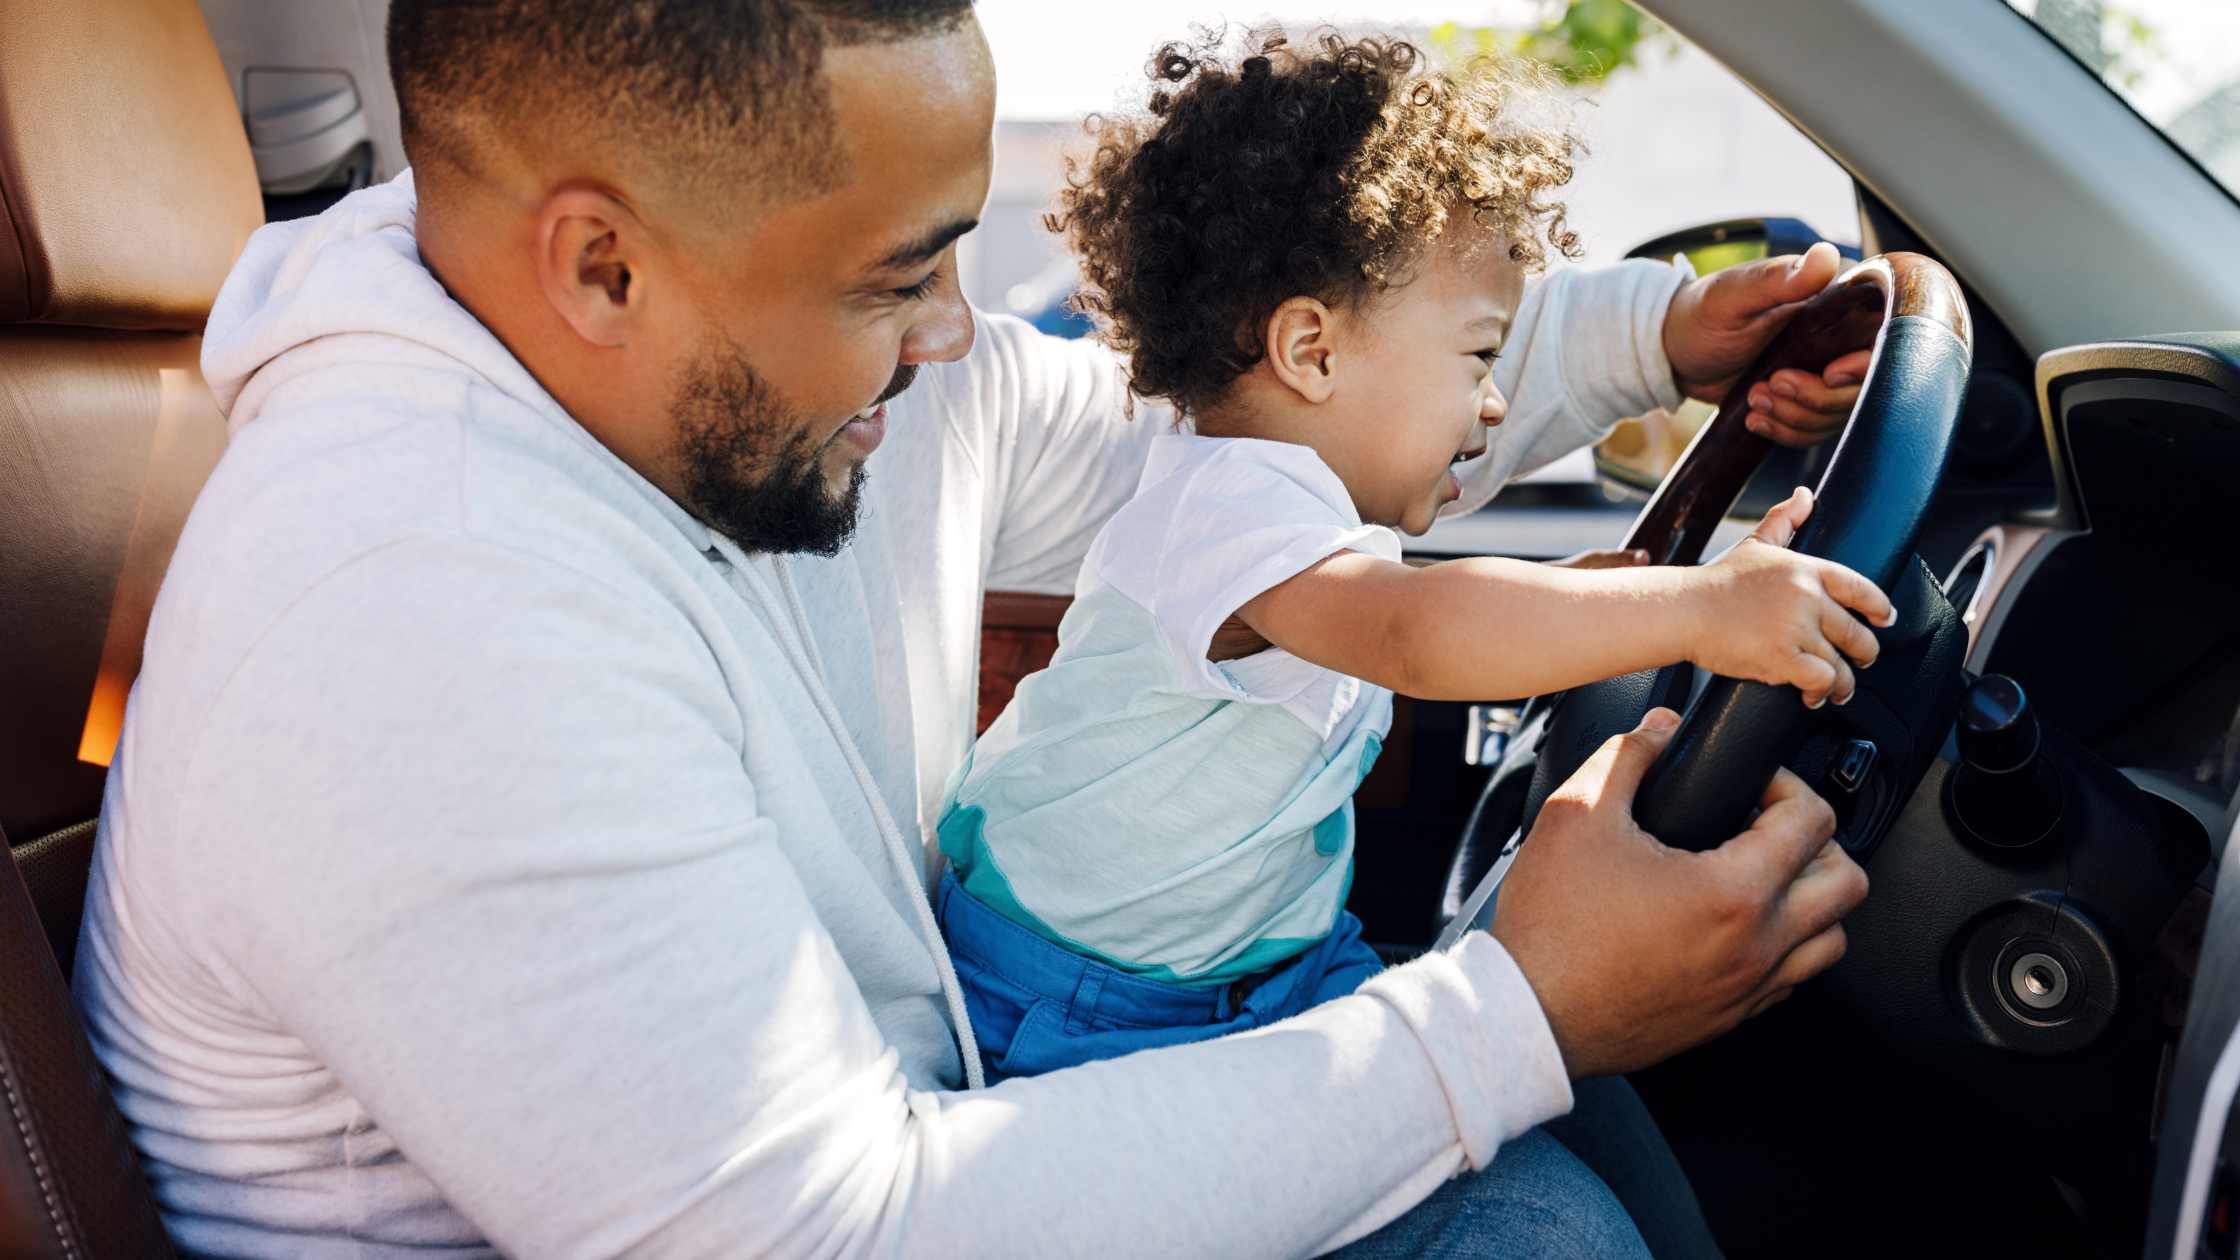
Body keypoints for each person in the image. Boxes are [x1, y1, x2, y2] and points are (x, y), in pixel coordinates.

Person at [72, 3, 1869, 1256]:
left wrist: (1654, 344)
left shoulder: (749, 379)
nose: (960, 333)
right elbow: (828, 1234)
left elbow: (1223, 432)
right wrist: (1521, 1010)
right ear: (602, 267)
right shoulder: (409, 616)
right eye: (897, 278)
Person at [933, 32, 1893, 1086]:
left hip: (1266, 965)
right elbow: (1416, 632)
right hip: (1083, 1002)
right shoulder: (1222, 504)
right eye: (1479, 355)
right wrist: (1696, 609)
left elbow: (1418, 615)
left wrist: (1623, 600)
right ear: (1310, 351)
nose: (1493, 401)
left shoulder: (1304, 520)